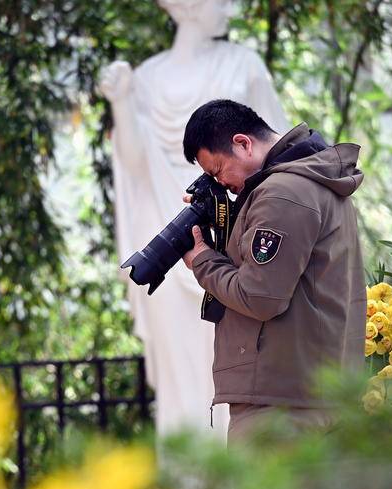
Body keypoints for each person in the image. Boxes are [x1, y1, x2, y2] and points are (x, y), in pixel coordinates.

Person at [100, 0, 287, 439]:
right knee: (180, 370)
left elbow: (278, 151)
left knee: (235, 357)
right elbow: (134, 163)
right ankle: (186, 487)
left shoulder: (245, 65)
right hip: (168, 235)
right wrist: (122, 102)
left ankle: (235, 481)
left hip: (235, 239)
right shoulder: (145, 78)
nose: (232, 7)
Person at [180, 99, 366, 439]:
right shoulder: (313, 182)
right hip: (306, 396)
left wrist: (203, 260)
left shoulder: (283, 193)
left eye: (217, 170)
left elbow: (260, 295)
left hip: (278, 410)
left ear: (243, 144)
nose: (219, 183)